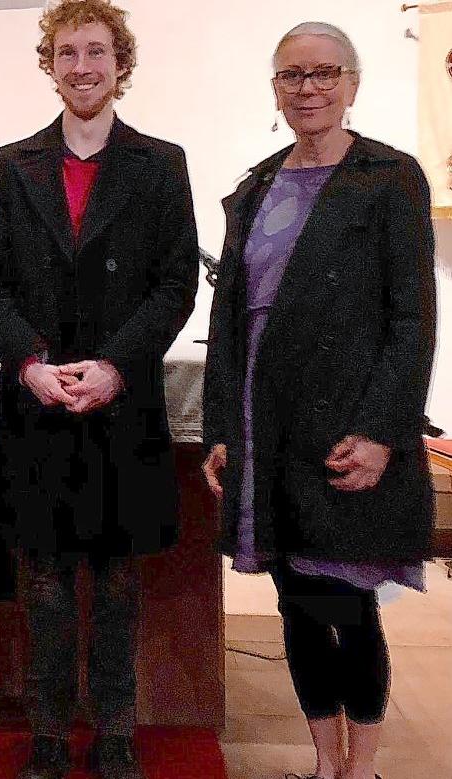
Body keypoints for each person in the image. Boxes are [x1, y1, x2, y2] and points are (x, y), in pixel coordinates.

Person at [202, 21, 436, 779]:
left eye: (323, 73)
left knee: (346, 602)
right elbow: (228, 319)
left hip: (343, 423)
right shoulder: (256, 185)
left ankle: (357, 769)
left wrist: (382, 430)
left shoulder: (389, 177)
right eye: (292, 76)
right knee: (295, 603)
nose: (308, 88)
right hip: (263, 420)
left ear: (351, 84)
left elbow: (412, 319)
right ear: (275, 90)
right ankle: (320, 760)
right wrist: (219, 428)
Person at [0, 2, 199, 777]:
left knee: (116, 578)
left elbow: (174, 285)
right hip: (38, 402)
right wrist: (30, 362)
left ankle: (116, 731)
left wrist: (115, 365)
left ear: (120, 62)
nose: (82, 67)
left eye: (96, 52)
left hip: (120, 404)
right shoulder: (13, 162)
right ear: (51, 64)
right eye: (67, 53)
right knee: (43, 579)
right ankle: (45, 733)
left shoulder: (161, 162)